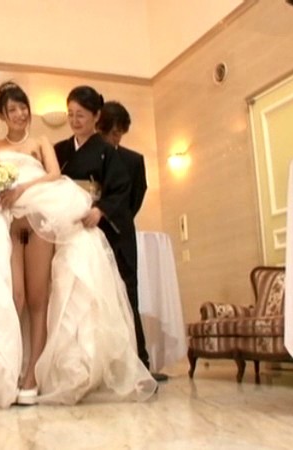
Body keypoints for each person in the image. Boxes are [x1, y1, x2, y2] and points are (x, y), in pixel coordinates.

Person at [0, 82, 157, 408]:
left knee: (41, 296)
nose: (19, 114)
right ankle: (10, 370)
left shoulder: (50, 143)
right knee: (13, 295)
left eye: (23, 107)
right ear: (2, 114)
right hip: (9, 220)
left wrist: (98, 209)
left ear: (96, 116)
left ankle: (32, 376)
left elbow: (56, 176)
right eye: (12, 109)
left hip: (47, 216)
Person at [96, 101, 168, 382]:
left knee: (129, 297)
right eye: (111, 132)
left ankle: (141, 363)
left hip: (122, 237)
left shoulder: (133, 161)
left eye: (119, 133)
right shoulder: (88, 155)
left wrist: (118, 219)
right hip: (91, 236)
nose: (115, 139)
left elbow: (135, 199)